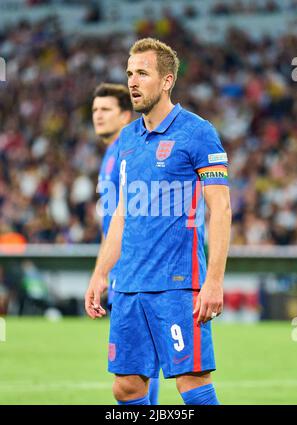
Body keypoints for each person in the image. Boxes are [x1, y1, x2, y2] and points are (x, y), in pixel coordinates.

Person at [85, 38, 231, 405]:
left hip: (178, 285)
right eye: (130, 73)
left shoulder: (197, 132)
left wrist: (213, 281)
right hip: (130, 284)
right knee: (127, 386)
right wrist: (101, 273)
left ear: (167, 81)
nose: (132, 81)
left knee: (192, 382)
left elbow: (221, 208)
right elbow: (122, 212)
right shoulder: (127, 140)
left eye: (143, 73)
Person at [91, 82, 160, 404]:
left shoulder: (130, 148)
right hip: (120, 264)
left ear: (124, 116)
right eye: (94, 110)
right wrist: (100, 271)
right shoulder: (111, 152)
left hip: (136, 264)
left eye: (106, 110)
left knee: (138, 363)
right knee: (137, 363)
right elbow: (111, 221)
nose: (98, 116)